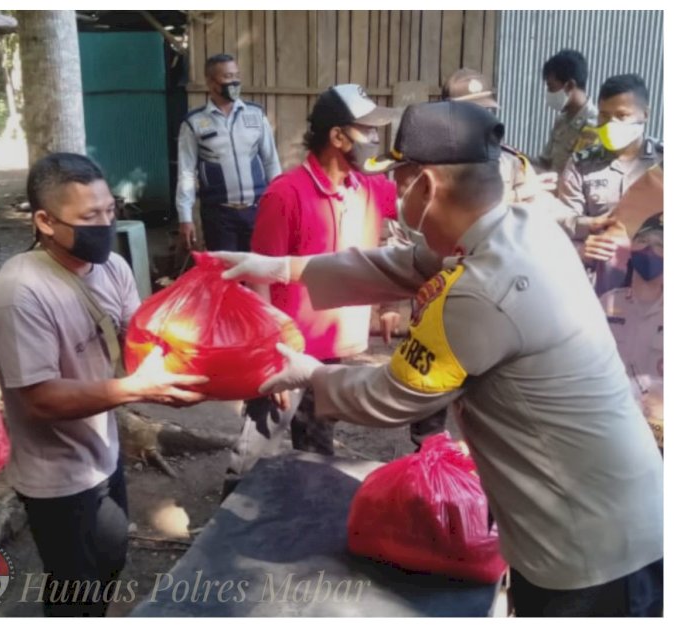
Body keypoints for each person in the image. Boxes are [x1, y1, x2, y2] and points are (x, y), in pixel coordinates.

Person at [214, 100, 663, 617]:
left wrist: (306, 373)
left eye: (400, 181)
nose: (396, 195)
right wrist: (282, 267)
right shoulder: (521, 229)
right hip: (619, 513)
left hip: (590, 553)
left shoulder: (485, 290)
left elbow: (390, 397)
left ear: (425, 186)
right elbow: (409, 262)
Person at [0, 153, 208, 617]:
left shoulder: (113, 269)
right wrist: (140, 390)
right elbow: (40, 400)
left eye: (110, 210)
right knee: (74, 590)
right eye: (89, 217)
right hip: (56, 475)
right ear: (45, 221)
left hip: (104, 452)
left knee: (109, 559)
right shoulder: (20, 292)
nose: (105, 225)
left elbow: (141, 337)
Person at [224, 84, 397, 493]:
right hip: (289, 351)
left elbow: (412, 218)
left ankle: (306, 521)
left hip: (335, 350)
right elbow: (259, 278)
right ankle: (223, 527)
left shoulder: (368, 187)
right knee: (258, 445)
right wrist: (270, 355)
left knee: (318, 449)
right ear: (338, 137)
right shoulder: (285, 195)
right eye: (367, 131)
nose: (375, 140)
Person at [555, 73, 663, 294]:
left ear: (645, 114)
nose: (610, 124)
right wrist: (582, 248)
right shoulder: (580, 164)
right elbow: (561, 225)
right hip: (599, 286)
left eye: (622, 116)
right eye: (604, 116)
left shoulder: (664, 163)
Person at [176, 53, 281, 252]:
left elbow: (271, 161)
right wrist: (185, 217)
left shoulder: (256, 114)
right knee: (226, 275)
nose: (234, 82)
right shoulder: (194, 123)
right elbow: (186, 173)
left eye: (236, 76)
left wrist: (279, 201)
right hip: (219, 216)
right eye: (227, 77)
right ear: (211, 82)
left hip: (257, 210)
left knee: (259, 273)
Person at [441, 68, 555, 205]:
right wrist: (518, 194)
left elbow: (537, 201)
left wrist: (575, 220)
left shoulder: (509, 158)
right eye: (472, 113)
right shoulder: (433, 160)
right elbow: (455, 207)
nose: (483, 118)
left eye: (487, 111)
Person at [599, 213, 663, 450]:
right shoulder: (607, 303)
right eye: (644, 240)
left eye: (661, 244)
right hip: (609, 426)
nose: (649, 249)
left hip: (659, 435)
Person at [538, 49, 599, 174]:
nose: (549, 93)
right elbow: (545, 163)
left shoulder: (593, 126)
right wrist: (516, 156)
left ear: (570, 85)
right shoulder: (562, 120)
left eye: (551, 87)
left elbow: (577, 180)